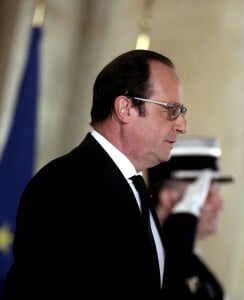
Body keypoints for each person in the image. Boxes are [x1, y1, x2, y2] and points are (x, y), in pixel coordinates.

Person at [2, 49, 188, 299]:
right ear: (125, 108)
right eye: (171, 110)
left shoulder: (133, 187)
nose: (182, 125)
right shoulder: (67, 185)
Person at [146, 136, 235, 300]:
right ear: (169, 199)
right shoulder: (145, 259)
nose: (219, 205)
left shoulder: (192, 261)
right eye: (207, 193)